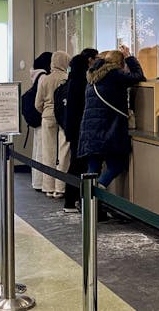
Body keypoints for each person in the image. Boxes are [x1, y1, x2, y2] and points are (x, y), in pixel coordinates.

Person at [78, 45, 145, 189]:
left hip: (89, 131)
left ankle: (88, 204)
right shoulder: (114, 74)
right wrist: (130, 58)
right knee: (116, 165)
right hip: (107, 129)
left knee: (93, 168)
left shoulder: (92, 78)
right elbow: (138, 76)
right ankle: (96, 193)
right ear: (120, 64)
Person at [62, 48, 99, 213]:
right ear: (89, 61)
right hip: (79, 129)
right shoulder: (82, 84)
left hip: (72, 128)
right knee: (78, 165)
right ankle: (72, 200)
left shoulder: (71, 81)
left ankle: (71, 199)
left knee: (75, 164)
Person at [34, 51, 70, 198]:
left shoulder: (45, 80)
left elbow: (37, 103)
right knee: (63, 152)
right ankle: (60, 188)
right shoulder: (67, 79)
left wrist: (46, 111)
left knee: (48, 152)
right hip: (64, 117)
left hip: (47, 116)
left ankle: (48, 187)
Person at [28, 52, 52, 191]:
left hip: (38, 119)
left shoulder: (36, 75)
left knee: (37, 150)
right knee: (43, 151)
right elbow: (41, 100)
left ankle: (37, 181)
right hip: (44, 118)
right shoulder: (44, 77)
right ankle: (41, 182)